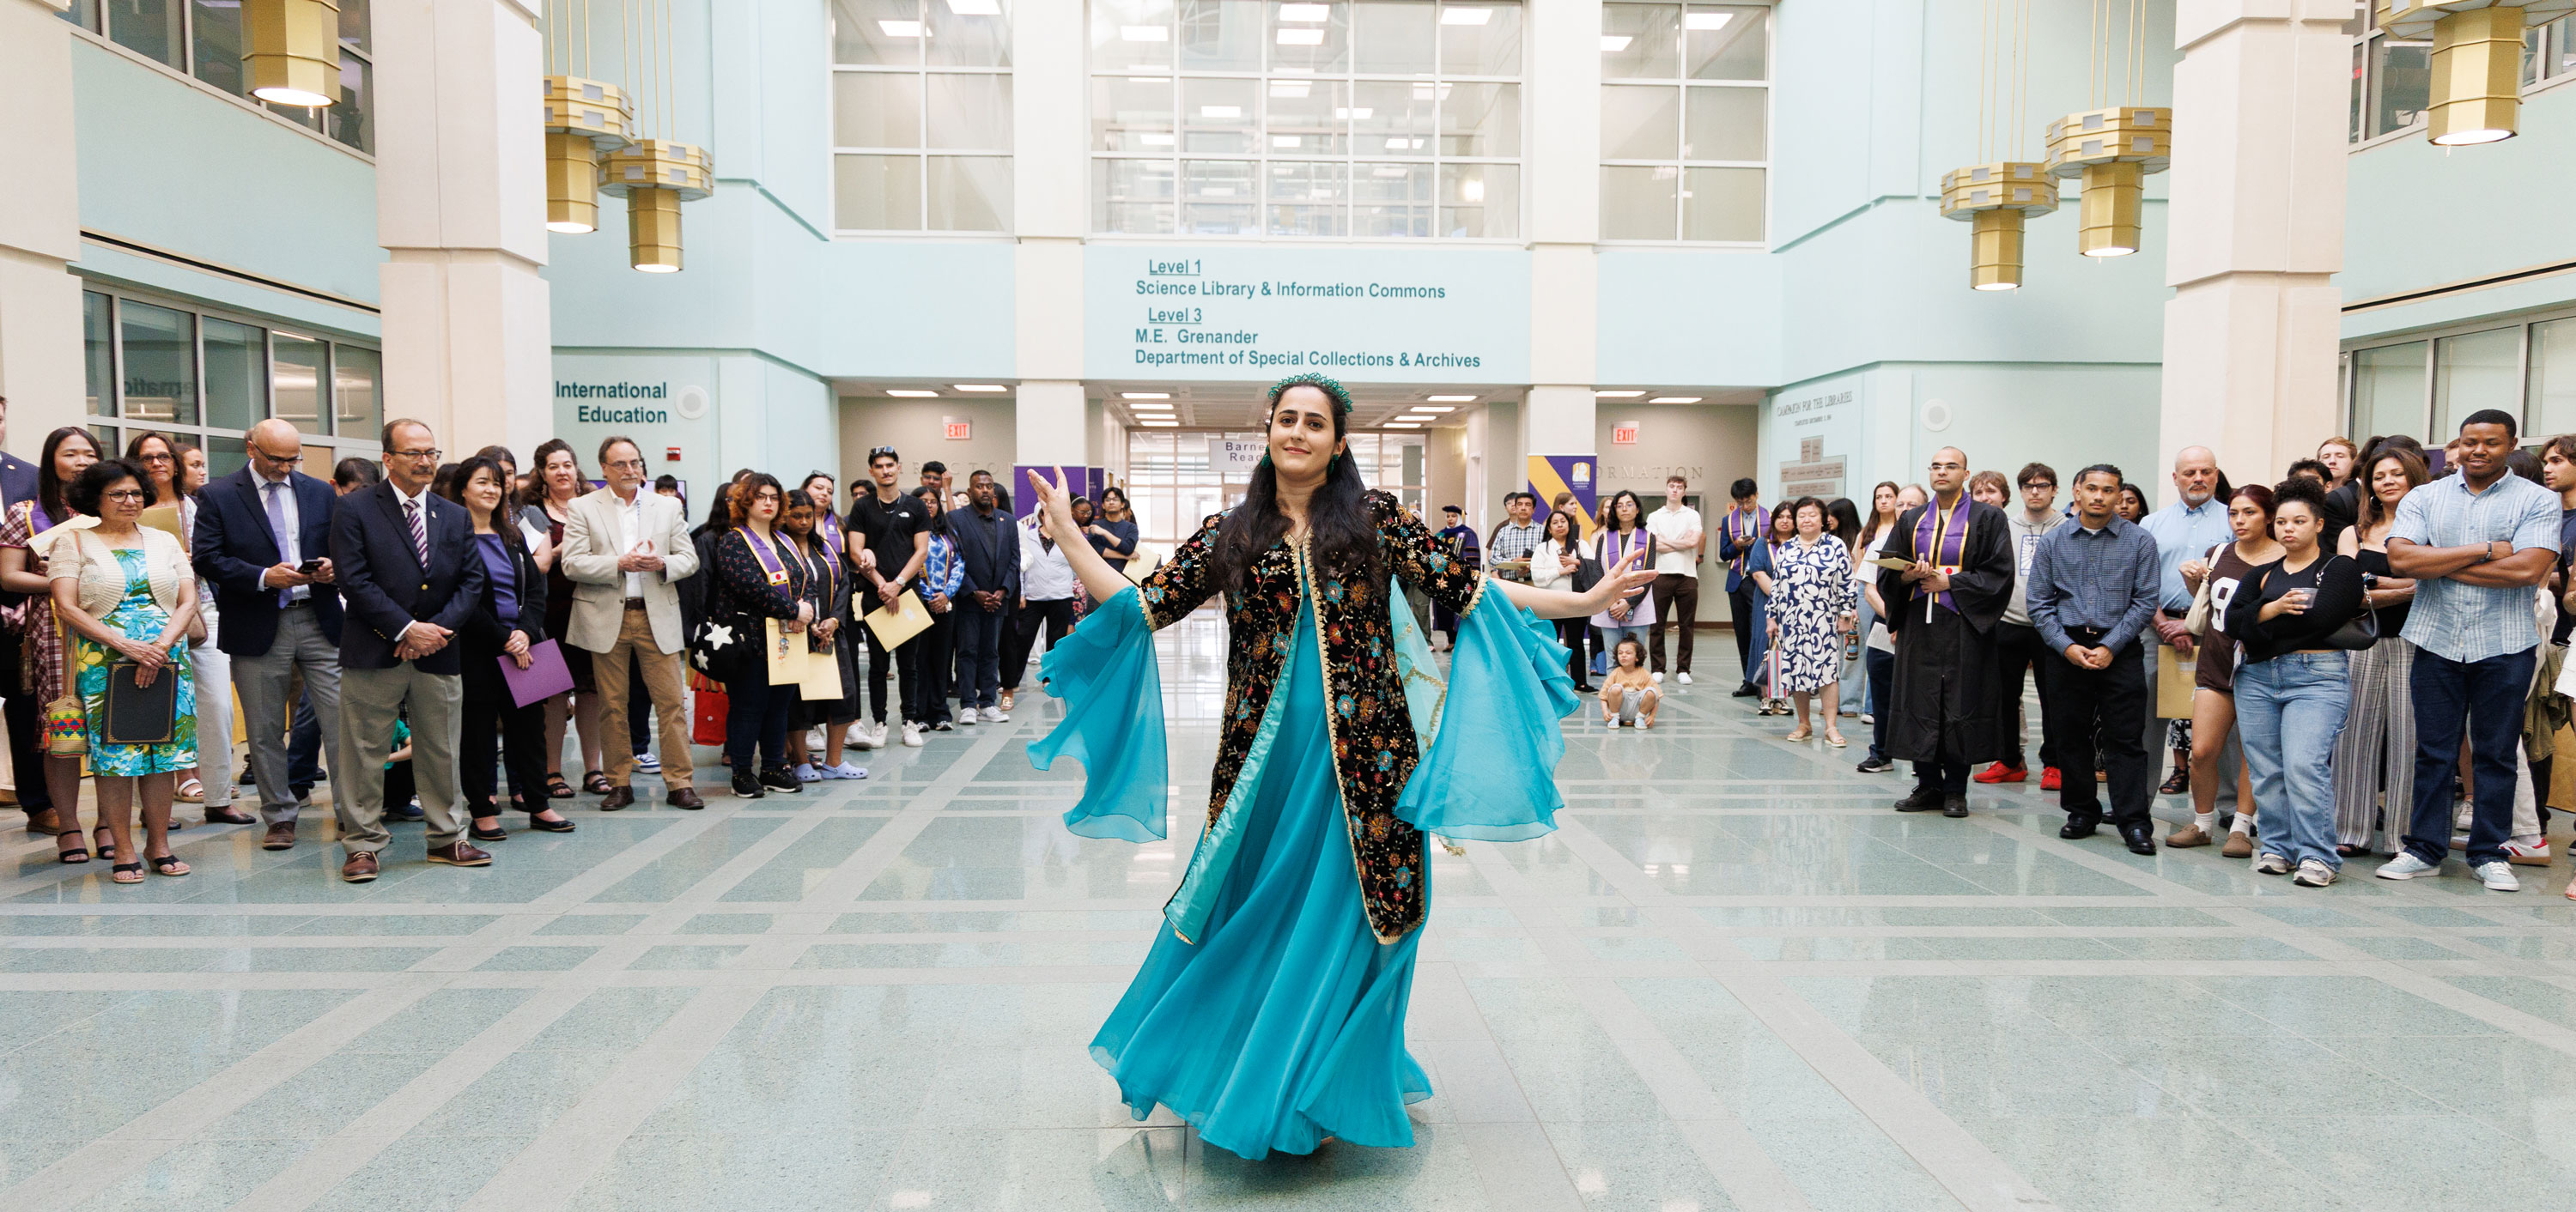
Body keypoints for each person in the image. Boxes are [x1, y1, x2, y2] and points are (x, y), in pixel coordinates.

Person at [1021, 372, 1656, 1160]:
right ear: (1269, 430)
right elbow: (1141, 604)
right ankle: (1249, 1074)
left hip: (1372, 758)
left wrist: (1583, 604)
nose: (1298, 432)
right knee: (1259, 909)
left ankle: (1328, 1079)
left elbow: (1474, 590)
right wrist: (1070, 538)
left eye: (1314, 423)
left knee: (1366, 916)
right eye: (1286, 419)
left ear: (1338, 442)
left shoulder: (1377, 520)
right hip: (1266, 766)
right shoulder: (1231, 533)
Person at [2379, 409, 2562, 892]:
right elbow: (2400, 559)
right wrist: (2485, 549)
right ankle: (2424, 849)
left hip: (2505, 643)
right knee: (2433, 751)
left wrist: (2437, 562)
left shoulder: (2538, 500)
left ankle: (2489, 853)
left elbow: (2527, 571)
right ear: (2456, 446)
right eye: (2469, 441)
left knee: (2497, 753)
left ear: (2512, 445)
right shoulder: (2425, 495)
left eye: (2491, 442)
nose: (2478, 450)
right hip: (2436, 638)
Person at [329, 419, 490, 884]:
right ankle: (362, 845)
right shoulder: (356, 509)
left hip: (439, 649)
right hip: (374, 648)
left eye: (431, 453)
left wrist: (435, 630)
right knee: (364, 749)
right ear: (388, 458)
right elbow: (352, 579)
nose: (425, 462)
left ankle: (447, 838)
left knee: (441, 748)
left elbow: (471, 581)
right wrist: (403, 629)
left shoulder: (453, 514)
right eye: (413, 453)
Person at [191, 419, 344, 852]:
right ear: (250, 448)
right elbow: (207, 557)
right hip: (259, 622)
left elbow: (343, 544)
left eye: (293, 458)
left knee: (340, 723)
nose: (285, 467)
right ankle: (279, 816)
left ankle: (353, 812)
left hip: (319, 617)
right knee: (263, 729)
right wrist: (262, 577)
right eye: (276, 459)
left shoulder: (317, 490)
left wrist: (334, 566)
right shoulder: (219, 495)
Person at [50, 458, 201, 883]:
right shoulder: (74, 542)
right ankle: (124, 847)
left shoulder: (164, 540)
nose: (130, 500)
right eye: (118, 494)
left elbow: (188, 600)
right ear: (95, 499)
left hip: (168, 660)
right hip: (104, 662)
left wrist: (160, 646)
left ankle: (160, 845)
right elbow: (67, 607)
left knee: (163, 755)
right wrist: (125, 644)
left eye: (136, 493)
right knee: (116, 758)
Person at [2227, 477, 2366, 887]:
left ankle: (2318, 856)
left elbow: (2322, 621)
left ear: (2319, 525)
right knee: (2267, 769)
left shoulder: (2337, 568)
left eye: (2299, 521)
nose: (2289, 529)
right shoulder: (2263, 575)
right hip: (2256, 678)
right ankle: (2276, 848)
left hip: (2316, 678)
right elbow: (2232, 622)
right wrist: (2273, 610)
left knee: (2304, 766)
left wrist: (2260, 623)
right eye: (2282, 522)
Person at [2025, 464, 2165, 855]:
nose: (2100, 497)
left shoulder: (2140, 542)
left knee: (2126, 739)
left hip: (2119, 650)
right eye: (2092, 489)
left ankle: (2133, 821)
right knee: (2070, 737)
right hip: (2066, 648)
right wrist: (2066, 647)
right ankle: (2081, 812)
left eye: (2108, 490)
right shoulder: (2054, 542)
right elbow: (2039, 603)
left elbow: (2144, 601)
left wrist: (2111, 647)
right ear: (2077, 492)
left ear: (2119, 496)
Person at [560, 436, 703, 810]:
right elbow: (572, 563)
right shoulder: (582, 507)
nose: (629, 470)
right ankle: (619, 782)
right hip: (607, 615)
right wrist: (618, 564)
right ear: (604, 468)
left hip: (656, 613)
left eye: (635, 463)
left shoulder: (667, 506)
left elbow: (689, 559)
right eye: (620, 464)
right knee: (612, 704)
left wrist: (662, 565)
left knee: (671, 703)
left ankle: (680, 783)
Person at [1878, 447, 2015, 818]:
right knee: (1920, 702)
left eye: (1951, 466)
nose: (1942, 472)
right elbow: (1889, 570)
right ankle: (1927, 785)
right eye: (1936, 466)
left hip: (1964, 627)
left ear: (1965, 474)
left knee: (1959, 702)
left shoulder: (1988, 519)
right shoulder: (1913, 519)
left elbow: (1999, 574)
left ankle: (1955, 789)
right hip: (1919, 627)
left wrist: (1950, 582)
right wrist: (1906, 576)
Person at [441, 456, 571, 835]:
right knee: (478, 734)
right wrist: (504, 637)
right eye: (482, 482)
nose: (492, 490)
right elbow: (462, 600)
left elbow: (534, 590)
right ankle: (483, 811)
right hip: (477, 649)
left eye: (497, 483)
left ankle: (538, 804)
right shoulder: (453, 537)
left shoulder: (511, 534)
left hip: (525, 648)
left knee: (530, 730)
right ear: (463, 488)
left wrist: (526, 632)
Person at [2166, 484, 2283, 855]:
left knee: (2254, 751)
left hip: (2261, 666)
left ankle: (2241, 828)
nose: (2240, 520)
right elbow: (2205, 603)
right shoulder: (2218, 553)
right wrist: (2192, 577)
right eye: (2234, 513)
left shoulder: (2285, 558)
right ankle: (2201, 823)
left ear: (2268, 515)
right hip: (2215, 663)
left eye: (2249, 512)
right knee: (2201, 751)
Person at [2, 427, 101, 859]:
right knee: (61, 726)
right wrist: (59, 582)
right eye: (70, 454)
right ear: (50, 460)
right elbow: (8, 575)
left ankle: (111, 825)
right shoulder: (26, 512)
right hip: (53, 627)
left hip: (110, 623)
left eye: (88, 454)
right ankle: (68, 826)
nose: (80, 461)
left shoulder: (112, 507)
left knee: (108, 728)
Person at [2332, 446, 2427, 857]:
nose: (2387, 481)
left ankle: (2401, 837)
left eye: (2396, 474)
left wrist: (2373, 582)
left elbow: (2436, 585)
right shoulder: (2354, 533)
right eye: (2378, 476)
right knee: (2352, 737)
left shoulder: (2433, 530)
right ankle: (2350, 831)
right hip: (2363, 642)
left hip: (2417, 642)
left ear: (2414, 478)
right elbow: (2345, 593)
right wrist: (2407, 587)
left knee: (2410, 741)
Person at [702, 474, 814, 797]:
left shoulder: (785, 540)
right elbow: (749, 586)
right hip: (749, 639)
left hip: (786, 638)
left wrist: (802, 608)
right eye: (761, 497)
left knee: (779, 707)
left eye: (774, 497)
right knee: (749, 707)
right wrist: (793, 611)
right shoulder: (734, 541)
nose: (768, 502)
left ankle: (773, 767)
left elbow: (805, 579)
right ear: (746, 502)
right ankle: (741, 772)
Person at [2139, 446, 2237, 801]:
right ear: (2175, 478)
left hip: (2218, 634)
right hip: (2158, 631)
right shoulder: (2152, 524)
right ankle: (2139, 801)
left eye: (2206, 472)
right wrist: (2164, 623)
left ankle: (2228, 807)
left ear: (2216, 474)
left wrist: (2195, 626)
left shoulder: (2235, 519)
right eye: (2190, 472)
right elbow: (2141, 582)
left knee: (2223, 722)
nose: (2198, 478)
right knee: (2147, 723)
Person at [520, 439, 606, 799]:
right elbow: (525, 564)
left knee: (592, 693)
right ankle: (553, 772)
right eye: (553, 466)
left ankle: (594, 770)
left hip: (591, 609)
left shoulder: (593, 506)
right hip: (546, 613)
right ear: (542, 473)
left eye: (567, 464)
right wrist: (558, 552)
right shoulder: (529, 512)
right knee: (552, 696)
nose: (562, 472)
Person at [1984, 463, 2065, 787]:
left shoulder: (2067, 526)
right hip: (2009, 621)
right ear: (2019, 492)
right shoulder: (2005, 527)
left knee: (2053, 696)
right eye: (2028, 486)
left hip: (2053, 627)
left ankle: (2055, 763)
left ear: (2054, 490)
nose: (2035, 491)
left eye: (2042, 485)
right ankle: (2009, 760)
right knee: (2004, 696)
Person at [168, 441, 238, 822]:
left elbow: (219, 554)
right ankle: (162, 796)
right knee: (160, 710)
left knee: (217, 704)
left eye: (164, 457)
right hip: (146, 617)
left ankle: (217, 793)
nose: (158, 464)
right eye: (148, 458)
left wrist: (200, 558)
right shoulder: (128, 505)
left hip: (202, 608)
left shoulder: (197, 505)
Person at [847, 447, 930, 749]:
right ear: (872, 471)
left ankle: (909, 722)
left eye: (890, 465)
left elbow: (921, 550)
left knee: (910, 664)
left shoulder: (916, 507)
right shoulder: (862, 508)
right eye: (879, 466)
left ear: (899, 468)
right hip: (874, 595)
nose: (885, 471)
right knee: (879, 665)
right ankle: (880, 722)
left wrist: (898, 584)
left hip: (907, 594)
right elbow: (856, 552)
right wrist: (883, 585)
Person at [777, 492, 864, 776]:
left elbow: (843, 585)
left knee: (843, 696)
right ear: (784, 517)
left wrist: (834, 621)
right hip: (795, 633)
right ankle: (802, 761)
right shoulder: (778, 550)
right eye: (796, 516)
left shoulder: (825, 547)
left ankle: (834, 762)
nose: (803, 522)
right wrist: (807, 621)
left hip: (831, 635)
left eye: (808, 516)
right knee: (799, 700)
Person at [1765, 497, 1853, 747]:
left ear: (1823, 519)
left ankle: (1831, 727)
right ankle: (1804, 723)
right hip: (1791, 620)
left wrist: (1846, 614)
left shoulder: (1835, 546)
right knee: (1796, 672)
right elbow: (1777, 587)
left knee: (1828, 673)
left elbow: (1847, 582)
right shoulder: (1787, 548)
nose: (1806, 519)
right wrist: (1772, 616)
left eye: (1812, 515)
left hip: (1824, 619)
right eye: (1801, 515)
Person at [1857, 484, 1929, 773]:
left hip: (1921, 626)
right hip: (1884, 624)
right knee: (1882, 685)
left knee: (1921, 692)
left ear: (1926, 508)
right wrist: (1892, 619)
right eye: (1900, 505)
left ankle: (1922, 757)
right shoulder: (1882, 542)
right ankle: (1882, 753)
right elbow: (1870, 589)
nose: (1904, 510)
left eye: (1912, 505)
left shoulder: (1932, 542)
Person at [948, 469, 1018, 724]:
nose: (985, 490)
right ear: (970, 491)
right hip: (969, 598)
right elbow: (954, 560)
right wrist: (974, 591)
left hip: (998, 599)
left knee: (991, 651)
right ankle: (968, 703)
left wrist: (1003, 590)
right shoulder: (956, 518)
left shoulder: (1007, 521)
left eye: (989, 486)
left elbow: (1014, 560)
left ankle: (987, 701)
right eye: (979, 486)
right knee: (967, 651)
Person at [1003, 502, 1078, 706]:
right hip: (1033, 596)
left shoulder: (1067, 538)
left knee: (1055, 641)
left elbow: (1076, 565)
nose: (1049, 517)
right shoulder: (1027, 536)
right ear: (1039, 515)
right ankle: (1012, 681)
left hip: (1061, 596)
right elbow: (1020, 566)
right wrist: (1021, 592)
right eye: (1045, 514)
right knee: (1023, 638)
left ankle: (1050, 680)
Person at [907, 487, 964, 733]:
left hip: (945, 603)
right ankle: (919, 714)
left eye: (933, 502)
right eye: (923, 501)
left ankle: (941, 712)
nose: (929, 505)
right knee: (919, 660)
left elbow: (960, 563)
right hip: (918, 603)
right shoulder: (908, 532)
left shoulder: (948, 533)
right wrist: (929, 596)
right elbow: (905, 565)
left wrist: (946, 594)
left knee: (941, 659)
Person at [1528, 506, 1596, 691]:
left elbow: (1594, 567)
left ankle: (1580, 681)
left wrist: (1577, 562)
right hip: (1551, 603)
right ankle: (1551, 681)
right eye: (1555, 523)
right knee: (1550, 642)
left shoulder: (1581, 545)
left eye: (1563, 522)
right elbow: (1537, 576)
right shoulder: (1543, 548)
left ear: (1569, 524)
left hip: (1576, 601)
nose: (1559, 525)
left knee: (1576, 643)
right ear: (1549, 529)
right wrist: (1561, 571)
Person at [1644, 475, 1703, 684]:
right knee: (1657, 624)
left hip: (1687, 575)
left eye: (1680, 487)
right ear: (1666, 489)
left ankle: (1683, 669)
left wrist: (1667, 541)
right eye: (1672, 486)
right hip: (1660, 574)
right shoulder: (1654, 516)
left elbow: (1693, 542)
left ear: (1685, 491)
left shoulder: (1692, 515)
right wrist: (1681, 542)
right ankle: (1658, 668)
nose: (1675, 490)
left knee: (1687, 625)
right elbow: (1653, 545)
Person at [1590, 490, 1656, 667]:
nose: (1624, 509)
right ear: (1614, 511)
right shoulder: (1604, 537)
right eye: (1619, 506)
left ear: (1637, 510)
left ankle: (1634, 695)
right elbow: (1598, 571)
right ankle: (1614, 695)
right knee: (1613, 660)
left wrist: (1629, 603)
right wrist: (1610, 601)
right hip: (1609, 606)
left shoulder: (1648, 538)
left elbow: (1648, 574)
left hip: (1638, 604)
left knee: (1635, 660)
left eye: (1629, 505)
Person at [1715, 479, 1766, 697]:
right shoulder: (1729, 521)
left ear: (1756, 494)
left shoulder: (1771, 519)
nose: (1745, 506)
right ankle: (1748, 680)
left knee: (1761, 633)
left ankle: (1762, 680)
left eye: (1749, 500)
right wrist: (1737, 545)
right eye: (1740, 502)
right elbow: (1723, 553)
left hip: (1762, 581)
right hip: (1737, 580)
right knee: (1742, 633)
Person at [1431, 505, 1480, 650]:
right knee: (1444, 610)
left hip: (1459, 580)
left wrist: (1467, 574)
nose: (1450, 519)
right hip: (1443, 579)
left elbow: (1471, 557)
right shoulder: (1440, 535)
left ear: (1459, 517)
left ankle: (1461, 642)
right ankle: (1450, 641)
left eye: (1453, 516)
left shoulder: (1467, 534)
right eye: (1448, 516)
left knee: (1459, 609)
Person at [1601, 636, 1659, 727]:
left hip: (1638, 710)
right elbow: (1603, 696)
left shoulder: (1644, 673)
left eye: (1628, 653)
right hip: (1620, 710)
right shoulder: (1615, 673)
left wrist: (1652, 716)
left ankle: (1639, 718)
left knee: (1652, 691)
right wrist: (1605, 712)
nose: (1623, 655)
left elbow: (1656, 697)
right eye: (1620, 653)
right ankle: (1615, 718)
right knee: (1616, 688)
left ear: (1637, 657)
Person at [1486, 491, 1542, 584]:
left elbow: (1549, 559)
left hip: (1535, 583)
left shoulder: (1543, 531)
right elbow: (1493, 559)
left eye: (1528, 505)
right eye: (1520, 504)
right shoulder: (1503, 531)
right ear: (1515, 508)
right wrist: (1513, 562)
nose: (1523, 508)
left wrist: (1531, 566)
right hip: (1509, 583)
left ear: (1533, 509)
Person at [1087, 485, 1140, 575]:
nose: (1111, 502)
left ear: (1122, 504)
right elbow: (1096, 551)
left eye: (1115, 499)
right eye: (1108, 500)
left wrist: (1105, 533)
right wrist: (1124, 556)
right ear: (1103, 505)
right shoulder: (1095, 526)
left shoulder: (1131, 527)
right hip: (1101, 575)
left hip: (1125, 576)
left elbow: (1128, 549)